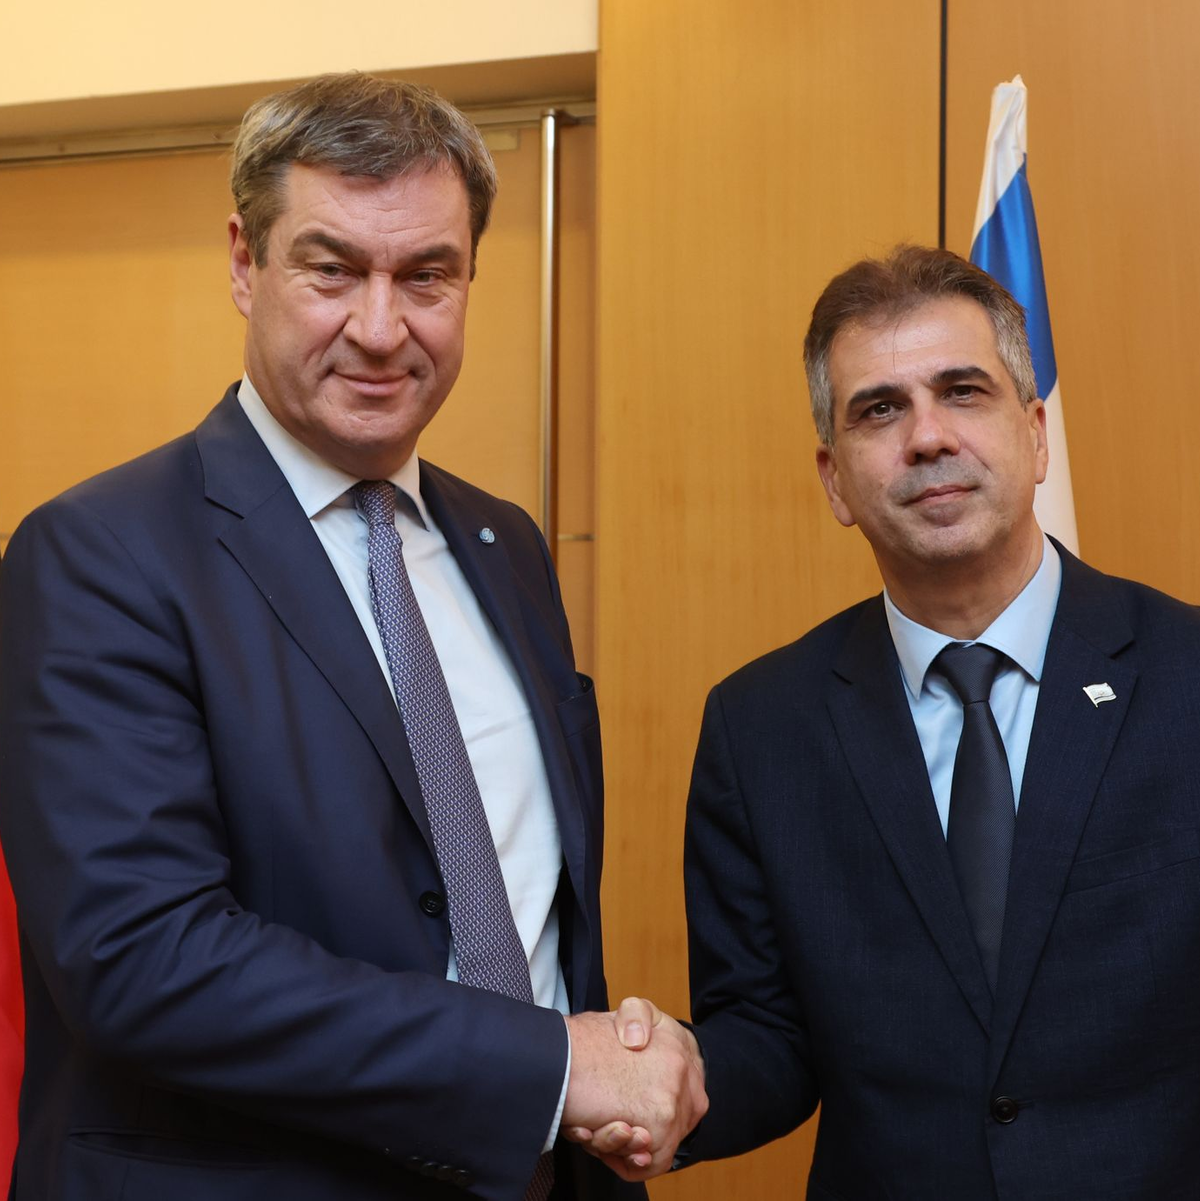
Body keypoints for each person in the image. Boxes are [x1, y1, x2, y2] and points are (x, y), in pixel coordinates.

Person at [0, 73, 703, 1201]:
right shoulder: (98, 554)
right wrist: (538, 1068)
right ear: (245, 262)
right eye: (332, 269)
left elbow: (526, 904)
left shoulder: (505, 544)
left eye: (427, 275)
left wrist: (592, 1072)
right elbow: (143, 960)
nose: (381, 329)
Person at [595, 245, 1200, 1197]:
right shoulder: (761, 728)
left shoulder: (1187, 675)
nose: (926, 437)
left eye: (963, 391)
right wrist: (670, 1084)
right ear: (835, 479)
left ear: (1036, 434)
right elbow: (771, 1033)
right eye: (880, 408)